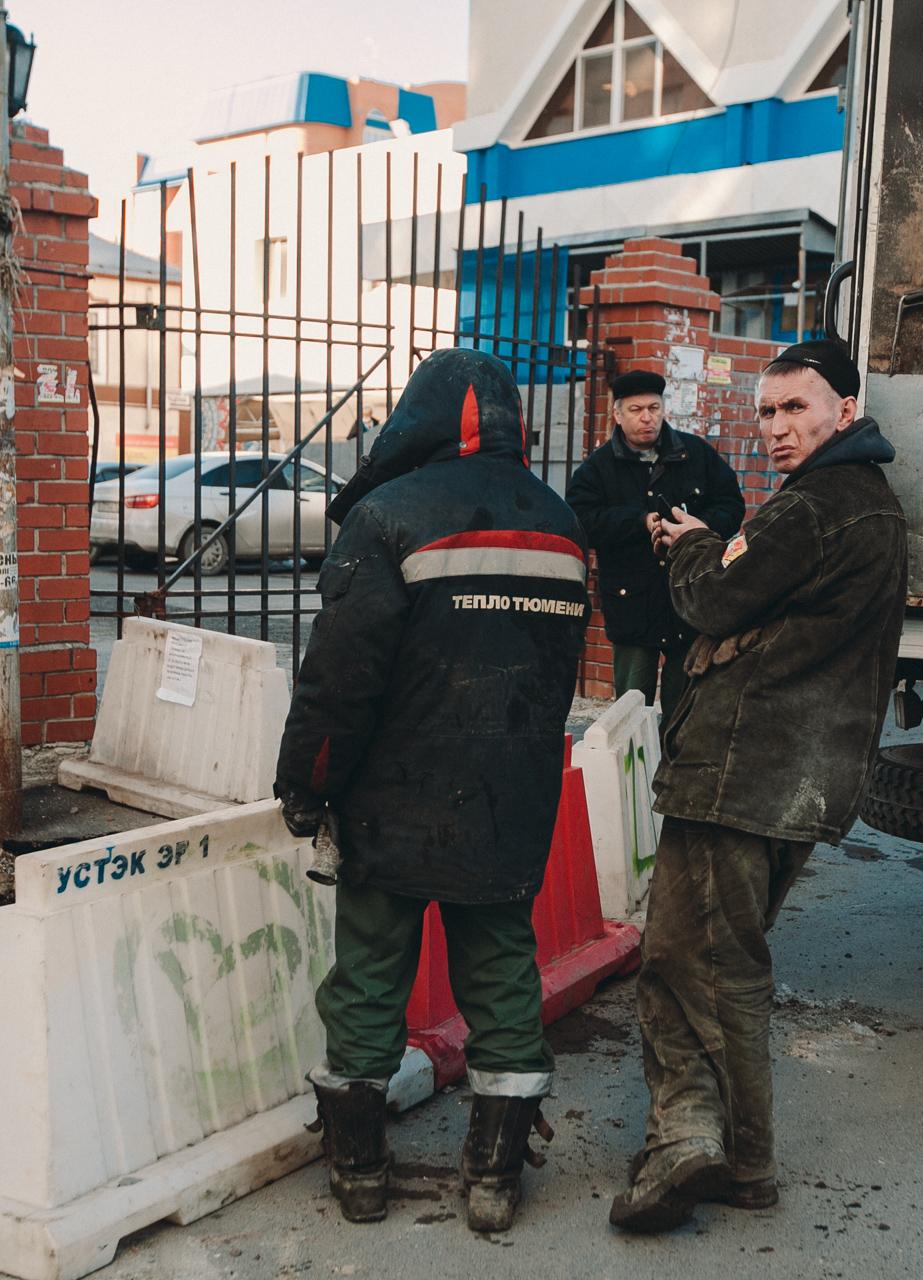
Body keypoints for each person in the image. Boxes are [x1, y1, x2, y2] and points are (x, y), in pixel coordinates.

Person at [275, 348, 588, 1233]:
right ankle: (494, 1178)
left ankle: (362, 1172)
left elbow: (340, 683)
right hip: (508, 802)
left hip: (393, 801)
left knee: (371, 976)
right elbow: (554, 679)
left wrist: (306, 783)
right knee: (500, 972)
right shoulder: (562, 523)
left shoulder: (385, 517)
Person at [608, 339, 908, 1233]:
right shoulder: (861, 508)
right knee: (726, 967)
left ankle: (691, 1147)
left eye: (797, 409)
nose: (777, 429)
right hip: (792, 780)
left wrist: (692, 546)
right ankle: (740, 1161)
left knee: (683, 967)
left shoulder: (821, 507)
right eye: (767, 413)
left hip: (741, 773)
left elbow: (709, 604)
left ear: (845, 412)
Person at [567, 370, 743, 708]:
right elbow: (580, 520)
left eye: (654, 407)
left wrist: (699, 527)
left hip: (688, 601)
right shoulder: (597, 469)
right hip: (632, 602)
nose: (647, 417)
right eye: (636, 410)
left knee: (685, 714)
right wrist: (638, 521)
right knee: (630, 715)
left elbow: (731, 503)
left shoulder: (696, 454)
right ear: (617, 415)